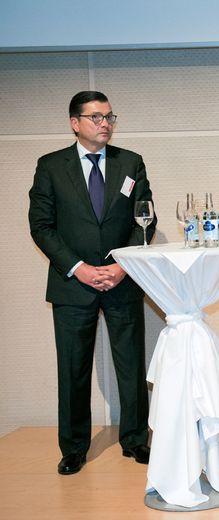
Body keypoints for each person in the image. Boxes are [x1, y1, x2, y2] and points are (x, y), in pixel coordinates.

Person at [28, 91, 155, 475]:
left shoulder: (130, 162)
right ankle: (73, 448)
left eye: (109, 117)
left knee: (131, 365)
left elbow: (145, 219)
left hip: (122, 280)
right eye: (96, 117)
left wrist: (122, 265)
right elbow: (42, 226)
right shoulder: (51, 166)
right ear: (75, 123)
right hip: (72, 284)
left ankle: (135, 440)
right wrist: (78, 267)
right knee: (73, 369)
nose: (105, 124)